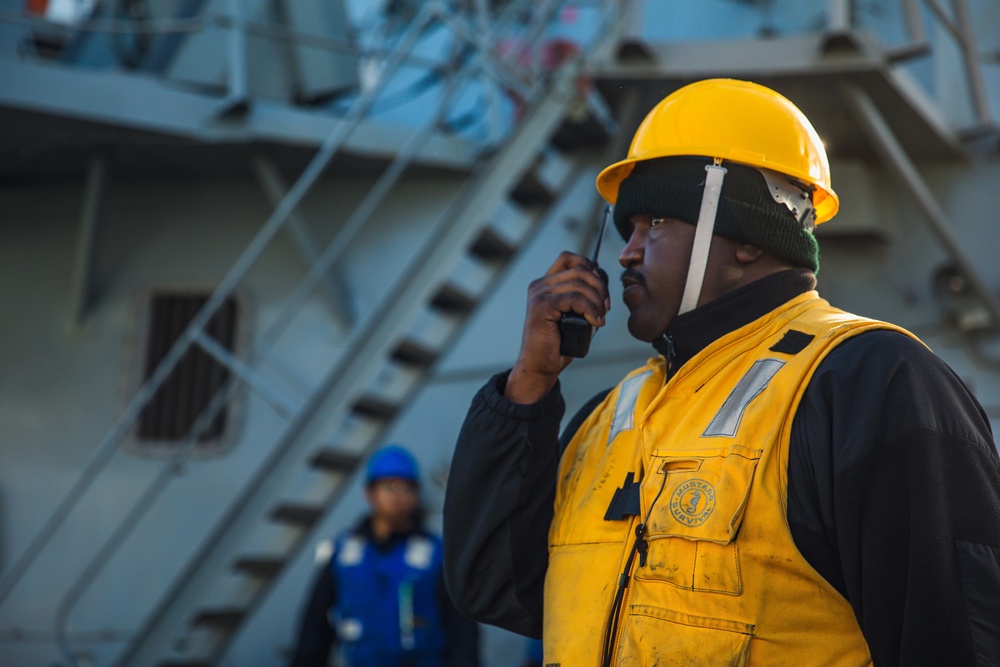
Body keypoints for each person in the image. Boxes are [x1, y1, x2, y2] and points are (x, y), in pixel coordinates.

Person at [443, 78, 1000, 665]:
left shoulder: (870, 381)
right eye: (627, 228)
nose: (627, 253)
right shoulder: (611, 416)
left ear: (748, 238)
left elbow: (957, 639)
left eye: (655, 221)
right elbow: (494, 585)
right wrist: (528, 385)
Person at [289, 445, 479, 667]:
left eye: (406, 488)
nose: (397, 497)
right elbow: (315, 627)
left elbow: (462, 630)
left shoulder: (435, 555)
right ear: (369, 493)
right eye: (389, 487)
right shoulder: (345, 554)